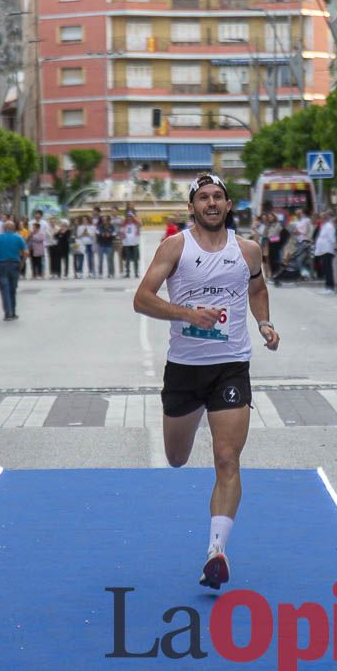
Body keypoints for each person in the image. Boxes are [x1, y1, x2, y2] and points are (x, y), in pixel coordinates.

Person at [132, 174, 279, 589]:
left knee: (227, 459)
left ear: (229, 205)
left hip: (231, 365)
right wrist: (187, 315)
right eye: (203, 198)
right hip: (184, 368)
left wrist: (264, 323)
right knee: (176, 457)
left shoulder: (247, 250)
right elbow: (142, 298)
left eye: (218, 197)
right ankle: (192, 415)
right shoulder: (175, 246)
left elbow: (258, 289)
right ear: (192, 206)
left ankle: (216, 550)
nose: (211, 203)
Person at [0, 221, 27, 320]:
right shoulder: (18, 237)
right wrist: (22, 262)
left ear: (4, 228)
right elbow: (26, 251)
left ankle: (8, 313)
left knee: (4, 289)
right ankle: (13, 311)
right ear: (14, 227)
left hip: (2, 265)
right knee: (12, 289)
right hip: (14, 264)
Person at [313, 210, 337, 294]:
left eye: (323, 217)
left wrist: (334, 248)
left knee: (328, 270)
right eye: (320, 217)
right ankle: (327, 286)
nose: (321, 219)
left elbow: (332, 239)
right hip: (323, 251)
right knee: (325, 269)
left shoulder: (329, 226)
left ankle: (330, 287)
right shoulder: (323, 226)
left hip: (328, 250)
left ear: (326, 218)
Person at [121, 211, 142, 278]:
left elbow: (140, 224)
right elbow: (121, 234)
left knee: (135, 259)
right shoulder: (124, 225)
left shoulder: (136, 225)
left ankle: (136, 272)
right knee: (127, 259)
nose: (129, 218)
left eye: (130, 217)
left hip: (134, 243)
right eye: (128, 217)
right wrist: (122, 235)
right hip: (126, 244)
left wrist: (134, 218)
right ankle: (127, 273)